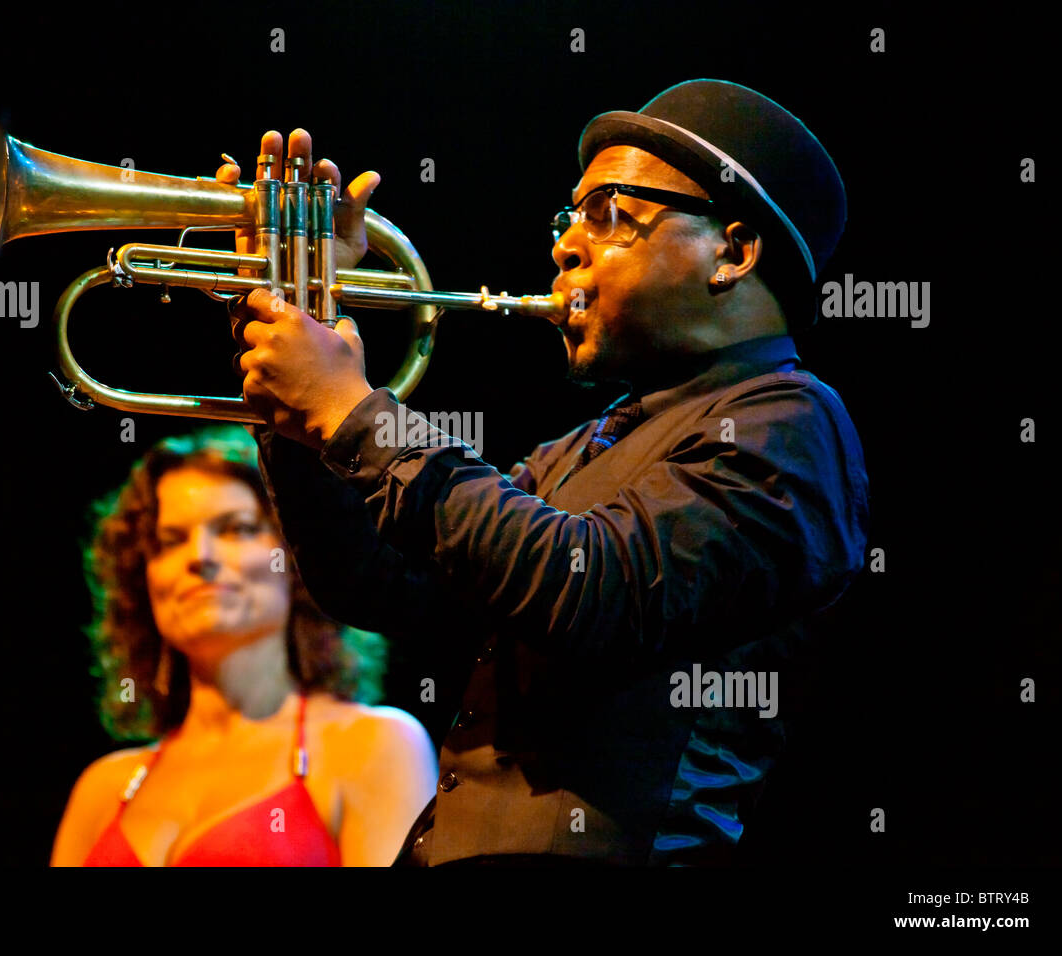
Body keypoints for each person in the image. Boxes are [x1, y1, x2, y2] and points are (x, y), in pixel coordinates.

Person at [221, 79, 870, 864]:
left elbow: (593, 588)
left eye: (607, 216)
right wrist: (299, 384)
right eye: (571, 218)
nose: (564, 245)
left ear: (732, 251)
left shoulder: (792, 422)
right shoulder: (584, 447)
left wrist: (355, 414)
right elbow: (382, 583)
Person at [50, 426, 438, 866]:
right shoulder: (102, 788)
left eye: (236, 528)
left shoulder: (375, 746)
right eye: (170, 540)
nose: (200, 556)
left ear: (295, 557)